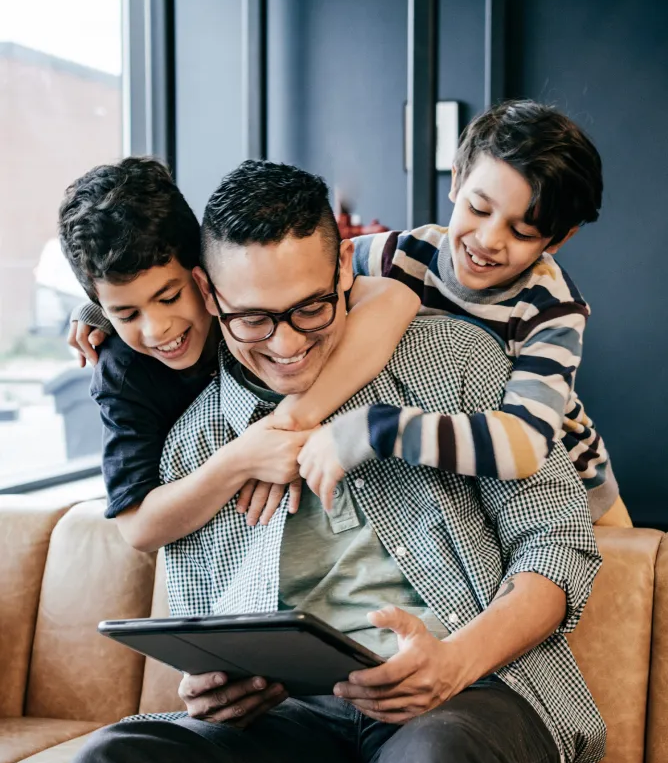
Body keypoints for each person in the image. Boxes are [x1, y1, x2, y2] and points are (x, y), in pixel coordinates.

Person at [10, 161, 604, 763]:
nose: (286, 344)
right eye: (253, 318)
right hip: (303, 731)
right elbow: (207, 623)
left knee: (432, 753)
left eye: (310, 310)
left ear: (346, 279)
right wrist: (223, 686)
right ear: (209, 293)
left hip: (476, 701)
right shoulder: (198, 447)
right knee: (119, 762)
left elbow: (559, 542)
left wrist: (453, 664)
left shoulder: (458, 360)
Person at [58, 157, 419, 551]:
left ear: (203, 273)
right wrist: (241, 460)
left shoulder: (257, 279)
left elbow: (394, 296)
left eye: (170, 297)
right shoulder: (122, 371)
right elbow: (137, 526)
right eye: (127, 314)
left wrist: (291, 419)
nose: (156, 328)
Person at [299, 100, 632, 526]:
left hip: (570, 488)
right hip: (453, 488)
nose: (489, 240)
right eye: (478, 208)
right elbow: (306, 283)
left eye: (522, 231)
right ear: (456, 181)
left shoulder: (552, 307)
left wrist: (376, 428)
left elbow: (526, 445)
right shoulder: (396, 257)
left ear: (558, 238)